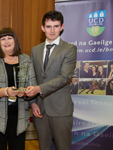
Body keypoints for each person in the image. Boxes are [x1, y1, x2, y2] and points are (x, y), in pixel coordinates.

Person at [25, 11, 77, 150]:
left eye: (56, 26)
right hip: (40, 109)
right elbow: (32, 77)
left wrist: (39, 89)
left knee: (63, 147)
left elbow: (64, 77)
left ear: (62, 27)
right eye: (48, 26)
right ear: (42, 28)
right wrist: (33, 103)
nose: (52, 30)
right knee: (43, 147)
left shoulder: (69, 49)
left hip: (61, 110)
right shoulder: (35, 50)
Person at [0, 27, 37, 150]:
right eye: (3, 39)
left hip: (19, 117)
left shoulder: (26, 60)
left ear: (15, 40)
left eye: (9, 38)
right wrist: (6, 91)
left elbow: (33, 86)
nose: (6, 42)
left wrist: (26, 93)